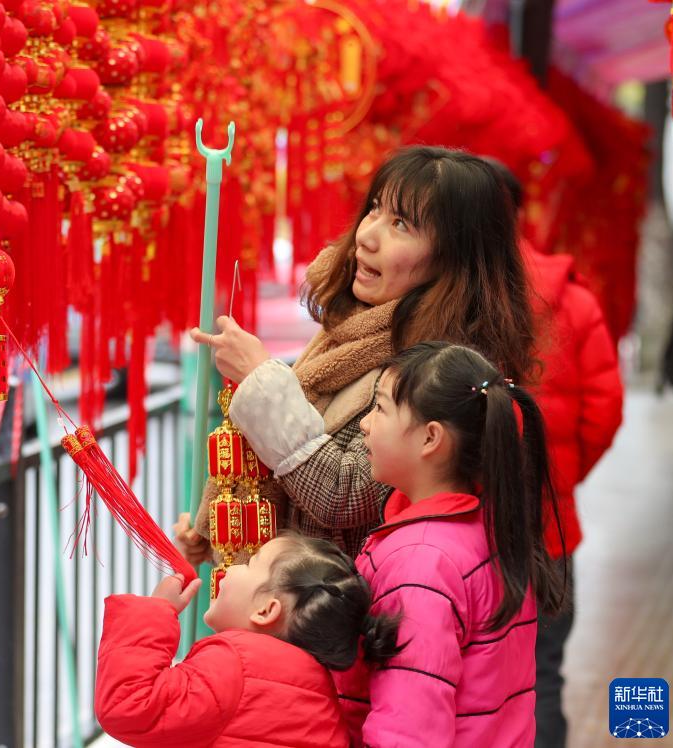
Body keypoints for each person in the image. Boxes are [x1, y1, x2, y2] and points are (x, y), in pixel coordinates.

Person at [177, 146, 538, 562]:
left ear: (453, 260)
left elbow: (344, 494)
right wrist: (224, 524)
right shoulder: (350, 331)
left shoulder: (442, 375)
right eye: (375, 210)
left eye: (401, 224)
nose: (367, 235)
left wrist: (262, 381)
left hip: (351, 607)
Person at [337, 341, 567, 746]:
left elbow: (408, 731)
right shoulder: (488, 527)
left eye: (380, 409)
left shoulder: (422, 563)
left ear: (430, 438)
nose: (365, 425)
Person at [488, 159, 624, 748]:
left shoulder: (451, 292)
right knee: (542, 678)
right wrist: (559, 476)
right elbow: (605, 408)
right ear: (521, 211)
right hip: (550, 531)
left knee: (473, 685)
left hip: (466, 531)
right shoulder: (573, 299)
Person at [94, 533, 402, 747]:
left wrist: (153, 612)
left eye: (252, 562)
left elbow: (129, 706)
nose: (233, 566)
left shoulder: (233, 666)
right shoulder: (315, 687)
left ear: (266, 610)